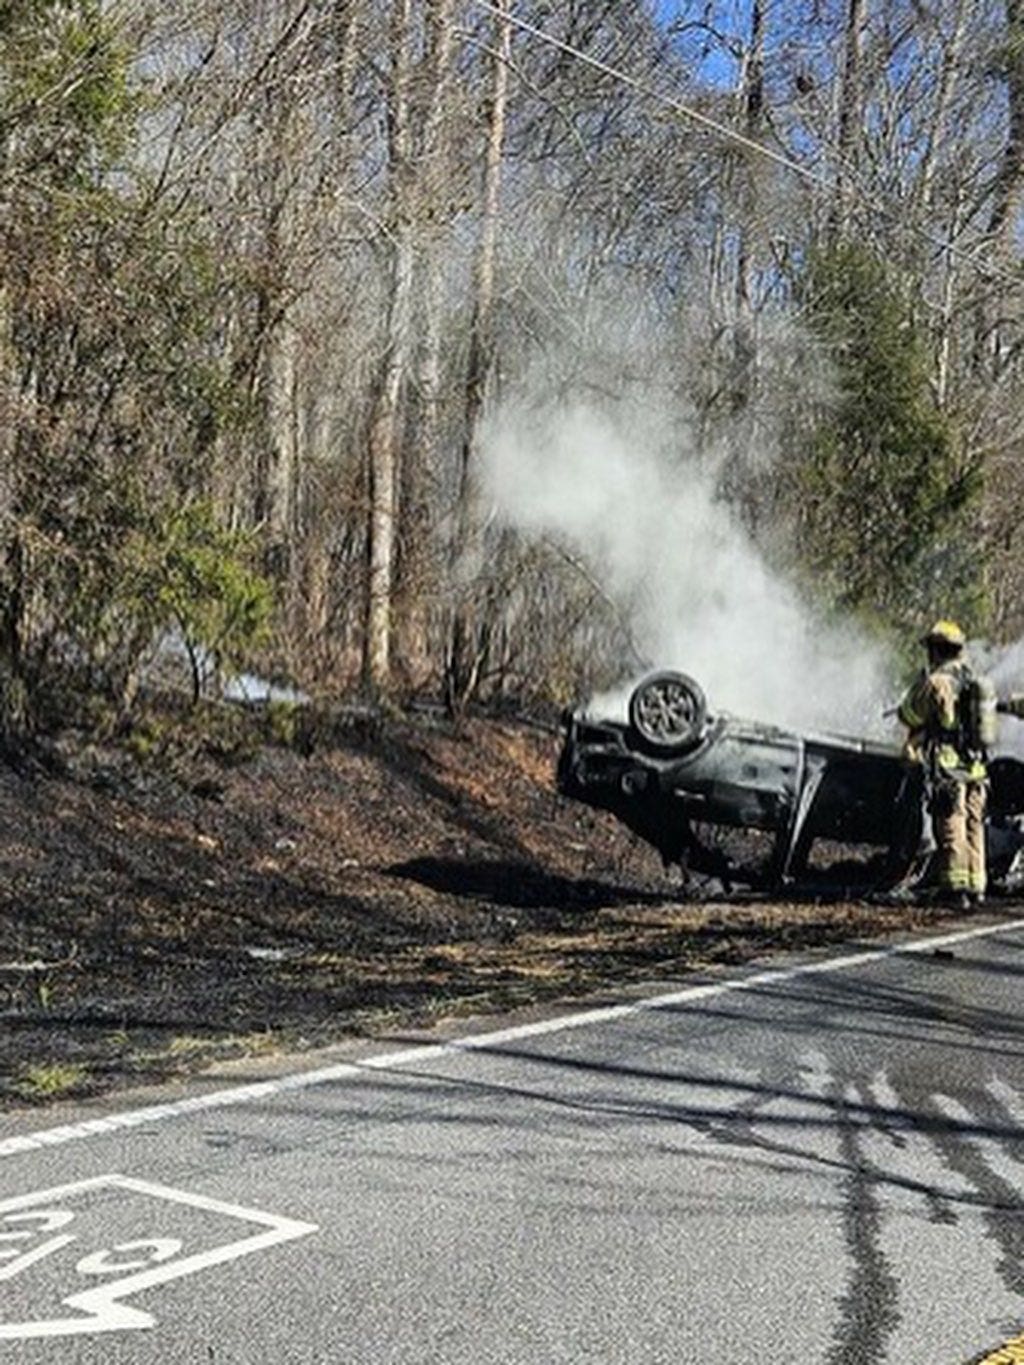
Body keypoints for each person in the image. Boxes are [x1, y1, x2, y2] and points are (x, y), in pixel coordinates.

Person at [897, 620, 992, 908]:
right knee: (974, 826)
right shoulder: (974, 679)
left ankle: (955, 890)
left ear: (937, 650)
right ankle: (976, 887)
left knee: (952, 826)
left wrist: (917, 692)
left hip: (950, 768)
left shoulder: (937, 681)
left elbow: (909, 715)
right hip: (977, 768)